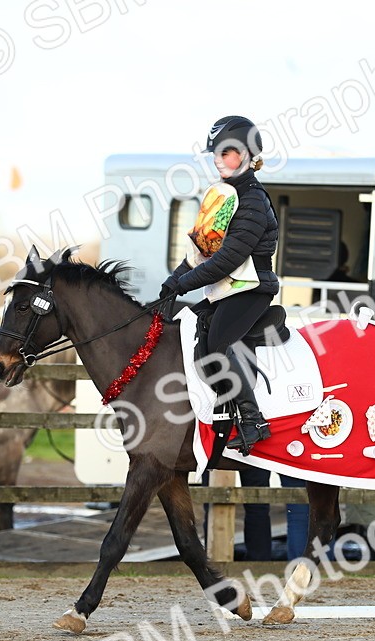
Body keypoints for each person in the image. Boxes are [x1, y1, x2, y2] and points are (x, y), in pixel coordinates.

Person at [160, 115, 280, 454]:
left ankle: (253, 421)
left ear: (247, 154)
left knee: (219, 346)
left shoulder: (254, 200)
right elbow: (201, 250)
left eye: (225, 153)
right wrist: (173, 278)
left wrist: (183, 284)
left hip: (252, 289)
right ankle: (221, 412)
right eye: (215, 154)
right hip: (225, 290)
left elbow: (228, 259)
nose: (218, 160)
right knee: (191, 337)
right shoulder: (219, 196)